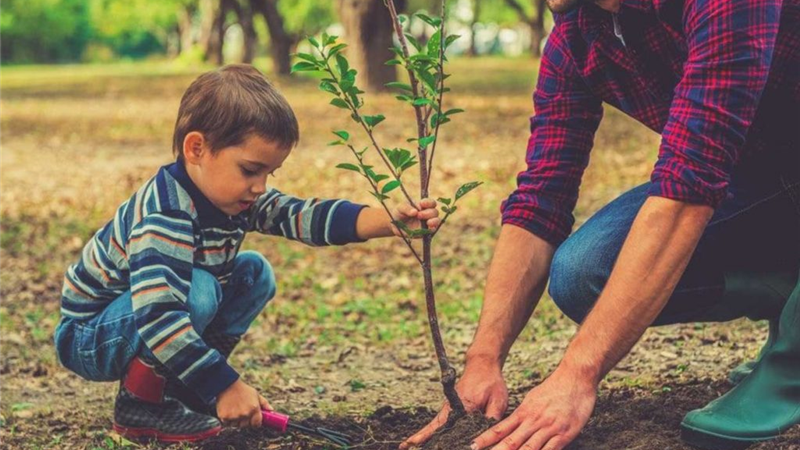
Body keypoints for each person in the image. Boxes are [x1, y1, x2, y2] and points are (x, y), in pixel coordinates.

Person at [402, 0, 799, 449]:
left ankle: (792, 364)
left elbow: (688, 190)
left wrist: (577, 375)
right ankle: (787, 294)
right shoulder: (580, 31)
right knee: (584, 271)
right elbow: (541, 197)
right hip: (763, 176)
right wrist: (483, 359)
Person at [54, 64, 440, 443]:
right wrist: (226, 386)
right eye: (251, 170)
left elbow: (301, 215)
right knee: (199, 289)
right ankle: (142, 405)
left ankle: (185, 390)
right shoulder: (166, 215)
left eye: (269, 174)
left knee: (253, 272)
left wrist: (387, 221)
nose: (260, 187)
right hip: (91, 335)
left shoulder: (233, 197)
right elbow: (157, 317)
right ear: (197, 148)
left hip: (141, 320)